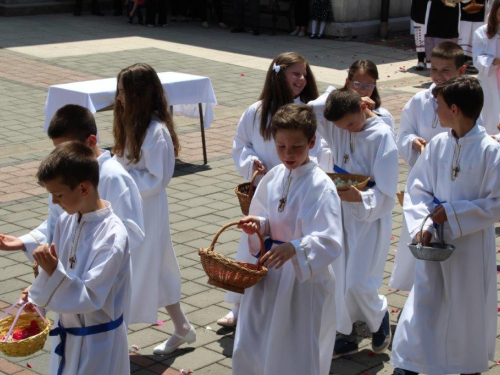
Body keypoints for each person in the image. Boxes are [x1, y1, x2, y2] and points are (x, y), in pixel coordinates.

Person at [391, 76, 500, 375]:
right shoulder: (438, 144)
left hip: (469, 246)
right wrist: (422, 226)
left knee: (464, 307)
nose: (434, 112)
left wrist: (453, 213)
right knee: (425, 301)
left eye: (437, 105)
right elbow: (417, 189)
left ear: (454, 109)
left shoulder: (491, 152)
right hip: (434, 241)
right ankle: (411, 363)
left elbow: (496, 203)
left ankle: (465, 364)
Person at [217, 52, 331, 328]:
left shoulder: (308, 111)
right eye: (295, 74)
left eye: (305, 74)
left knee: (288, 238)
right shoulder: (257, 111)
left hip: (299, 185)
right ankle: (239, 304)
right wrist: (250, 164)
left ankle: (281, 303)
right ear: (278, 75)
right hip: (267, 186)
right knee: (252, 242)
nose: (302, 79)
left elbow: (324, 147)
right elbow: (241, 143)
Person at [231, 103, 343, 375]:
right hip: (269, 272)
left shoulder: (320, 185)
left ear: (312, 142)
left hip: (301, 279)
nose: (288, 154)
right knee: (254, 338)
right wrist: (259, 225)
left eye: (296, 147)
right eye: (281, 147)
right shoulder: (275, 175)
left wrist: (294, 248)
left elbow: (329, 239)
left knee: (293, 346)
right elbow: (271, 217)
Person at [0, 104, 144, 273]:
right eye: (58, 149)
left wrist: (86, 245)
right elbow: (56, 220)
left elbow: (132, 232)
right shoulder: (64, 175)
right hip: (69, 267)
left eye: (68, 147)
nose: (62, 155)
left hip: (100, 267)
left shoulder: (113, 176)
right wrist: (25, 241)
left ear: (91, 141)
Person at [309, 88, 398, 358]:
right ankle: (346, 334)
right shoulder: (338, 125)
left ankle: (379, 314)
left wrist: (362, 197)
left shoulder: (382, 135)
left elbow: (387, 190)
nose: (347, 129)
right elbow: (314, 106)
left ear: (363, 107)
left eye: (351, 123)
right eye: (341, 126)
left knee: (359, 281)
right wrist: (344, 95)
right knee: (339, 278)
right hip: (339, 210)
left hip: (369, 216)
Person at [28, 142, 131, 375]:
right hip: (68, 334)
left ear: (83, 189)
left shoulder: (112, 235)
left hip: (99, 341)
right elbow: (61, 270)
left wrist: (53, 274)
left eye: (58, 195)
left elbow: (92, 296)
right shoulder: (67, 220)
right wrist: (40, 285)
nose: (55, 202)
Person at [113, 63, 195, 353]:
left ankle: (115, 335)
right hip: (130, 206)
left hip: (146, 209)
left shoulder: (155, 131)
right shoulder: (131, 123)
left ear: (139, 94)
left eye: (123, 92)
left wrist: (119, 175)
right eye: (118, 91)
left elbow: (157, 179)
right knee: (157, 268)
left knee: (141, 267)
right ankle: (183, 327)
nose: (119, 98)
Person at [390, 42, 466, 292]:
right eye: (435, 69)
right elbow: (403, 133)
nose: (438, 76)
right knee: (419, 229)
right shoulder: (420, 100)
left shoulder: (467, 99)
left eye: (446, 71)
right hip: (422, 177)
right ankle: (415, 289)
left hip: (453, 179)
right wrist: (412, 141)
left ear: (461, 71)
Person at [473, 0, 500, 134]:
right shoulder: (482, 32)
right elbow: (477, 57)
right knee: (490, 110)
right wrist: (494, 61)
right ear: (495, 13)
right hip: (489, 78)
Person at [344, 59, 395, 130]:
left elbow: (388, 136)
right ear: (348, 82)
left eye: (369, 86)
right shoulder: (337, 110)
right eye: (358, 84)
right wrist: (353, 103)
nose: (363, 90)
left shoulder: (383, 115)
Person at [424, 0, 461, 68]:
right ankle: (435, 64)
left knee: (450, 33)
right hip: (436, 8)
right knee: (436, 32)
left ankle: (449, 62)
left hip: (453, 9)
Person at [458, 0, 488, 73]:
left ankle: (474, 61)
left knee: (477, 35)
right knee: (465, 36)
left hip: (480, 10)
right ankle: (463, 61)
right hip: (465, 12)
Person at [410, 0, 429, 70]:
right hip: (420, 9)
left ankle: (429, 58)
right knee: (420, 36)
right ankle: (420, 60)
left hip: (433, 9)